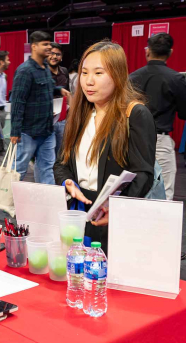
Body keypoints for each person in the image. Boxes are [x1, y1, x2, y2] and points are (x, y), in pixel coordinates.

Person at [54, 41, 156, 254]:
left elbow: (143, 173)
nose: (89, 81)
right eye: (84, 72)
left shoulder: (134, 114)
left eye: (98, 73)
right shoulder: (79, 114)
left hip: (111, 219)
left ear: (117, 75)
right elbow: (61, 163)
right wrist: (68, 183)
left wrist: (117, 209)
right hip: (78, 213)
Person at [130, 33, 186, 201]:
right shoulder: (176, 78)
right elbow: (184, 113)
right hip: (160, 141)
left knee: (134, 190)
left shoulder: (132, 77)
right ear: (170, 52)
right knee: (164, 193)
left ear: (147, 52)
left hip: (133, 139)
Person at [10, 31, 70, 184]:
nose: (49, 47)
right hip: (28, 132)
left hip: (47, 130)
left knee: (47, 168)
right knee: (18, 170)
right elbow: (17, 102)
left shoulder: (44, 69)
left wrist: (58, 90)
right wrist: (15, 131)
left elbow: (44, 88)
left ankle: (46, 203)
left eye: (50, 43)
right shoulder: (24, 71)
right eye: (45, 44)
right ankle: (7, 203)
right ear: (34, 47)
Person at [47, 42, 70, 157]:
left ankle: (56, 175)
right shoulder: (42, 72)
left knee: (60, 154)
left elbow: (67, 93)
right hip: (46, 120)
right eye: (51, 53)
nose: (54, 56)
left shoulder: (64, 72)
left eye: (58, 54)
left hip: (62, 120)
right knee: (45, 155)